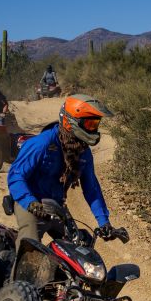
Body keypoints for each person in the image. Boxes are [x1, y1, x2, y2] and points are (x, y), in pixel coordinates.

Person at [7, 94, 115, 249]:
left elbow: (92, 189)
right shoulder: (42, 143)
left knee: (80, 248)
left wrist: (104, 222)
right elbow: (16, 176)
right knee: (29, 248)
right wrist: (31, 203)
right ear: (70, 121)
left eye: (95, 124)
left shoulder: (83, 151)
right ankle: (15, 272)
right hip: (30, 202)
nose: (94, 129)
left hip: (56, 206)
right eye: (90, 124)